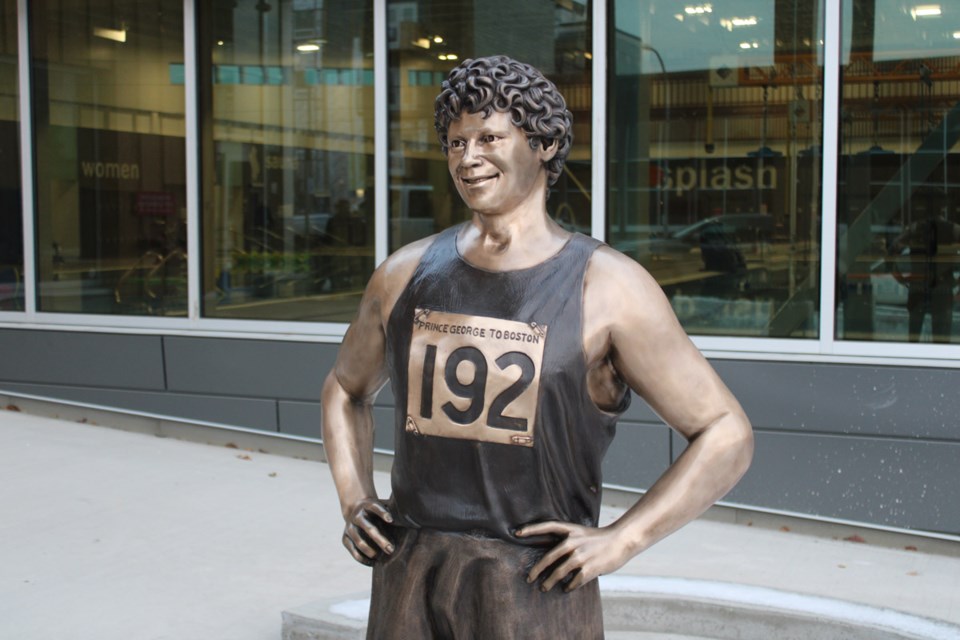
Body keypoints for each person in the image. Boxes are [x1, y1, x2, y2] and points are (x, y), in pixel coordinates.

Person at [321, 55, 753, 639]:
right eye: (455, 143)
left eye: (489, 138)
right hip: (410, 575)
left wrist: (623, 539)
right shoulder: (404, 274)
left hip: (534, 587)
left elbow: (726, 432)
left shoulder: (608, 287)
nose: (468, 158)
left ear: (543, 143)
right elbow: (345, 388)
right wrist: (355, 499)